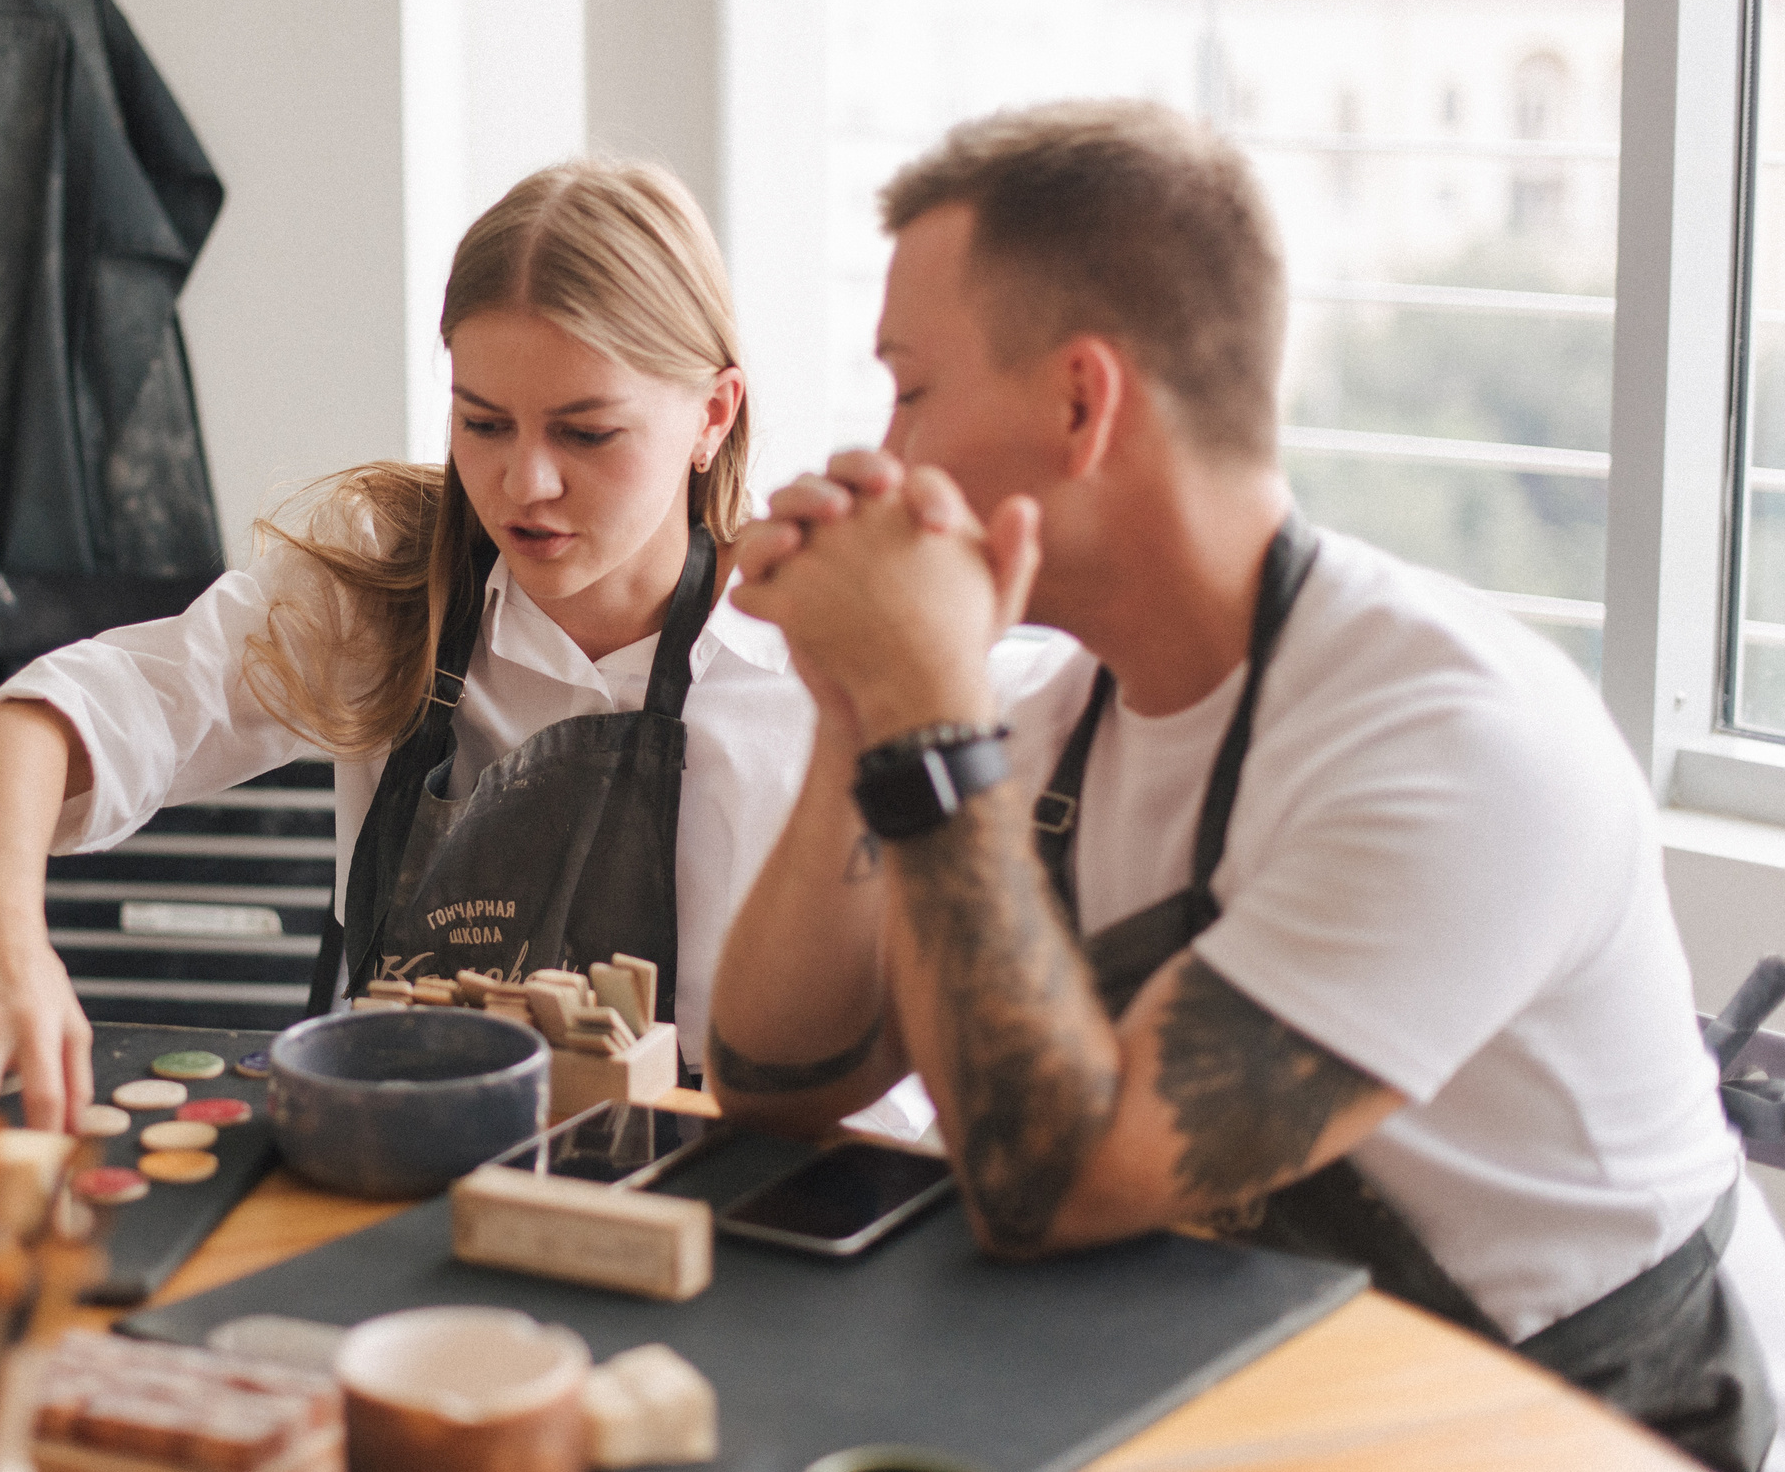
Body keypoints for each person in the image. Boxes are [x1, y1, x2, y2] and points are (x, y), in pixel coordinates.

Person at [712, 99, 1785, 1470]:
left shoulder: (1452, 749)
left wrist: (924, 721)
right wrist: (857, 705)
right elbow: (775, 1077)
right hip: (1285, 1379)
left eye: (912, 388)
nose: (887, 452)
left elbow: (1046, 1185)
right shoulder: (1055, 713)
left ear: (1083, 401)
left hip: (1587, 1421)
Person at [0, 158, 815, 1184]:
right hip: (399, 1184)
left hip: (714, 1206)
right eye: (483, 421)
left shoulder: (809, 658)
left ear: (714, 414)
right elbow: (53, 721)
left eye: (586, 431)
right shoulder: (388, 589)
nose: (525, 482)